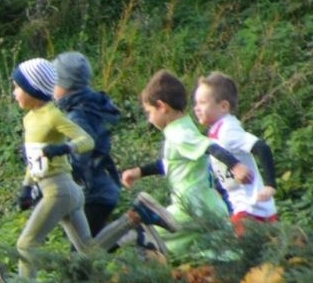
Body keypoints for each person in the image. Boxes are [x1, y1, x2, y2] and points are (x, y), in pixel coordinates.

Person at [92, 69, 241, 260]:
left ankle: (93, 262)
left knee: (141, 233)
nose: (149, 118)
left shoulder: (179, 134)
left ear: (162, 107)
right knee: (220, 260)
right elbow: (171, 163)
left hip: (192, 208)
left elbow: (209, 147)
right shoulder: (184, 127)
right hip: (210, 208)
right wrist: (140, 172)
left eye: (149, 112)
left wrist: (236, 166)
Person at [8, 58, 95, 281]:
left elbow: (87, 141)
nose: (14, 93)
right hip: (59, 190)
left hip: (59, 189)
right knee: (91, 252)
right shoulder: (29, 119)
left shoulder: (52, 116)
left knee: (26, 245)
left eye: (17, 87)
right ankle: (131, 227)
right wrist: (27, 187)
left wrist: (63, 148)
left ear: (33, 88)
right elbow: (34, 159)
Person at [193, 72, 279, 234]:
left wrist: (270, 185)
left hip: (252, 209)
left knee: (232, 252)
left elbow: (262, 147)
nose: (196, 108)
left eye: (202, 102)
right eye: (196, 103)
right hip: (247, 208)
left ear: (223, 106)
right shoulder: (215, 131)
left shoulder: (227, 130)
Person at [53, 51, 124, 232]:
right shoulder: (90, 106)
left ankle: (133, 230)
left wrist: (66, 172)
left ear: (66, 85)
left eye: (55, 82)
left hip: (94, 192)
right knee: (96, 244)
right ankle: (130, 231)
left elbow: (83, 151)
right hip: (104, 186)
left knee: (83, 251)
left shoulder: (78, 115)